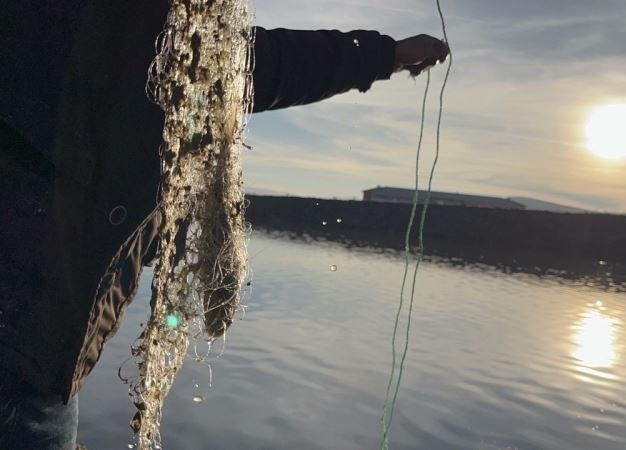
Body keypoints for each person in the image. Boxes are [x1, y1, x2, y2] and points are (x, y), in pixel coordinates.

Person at [0, 2, 449, 448]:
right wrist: (384, 55)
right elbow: (250, 63)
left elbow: (250, 64)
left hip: (39, 353)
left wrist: (382, 55)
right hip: (26, 354)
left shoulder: (182, 44)